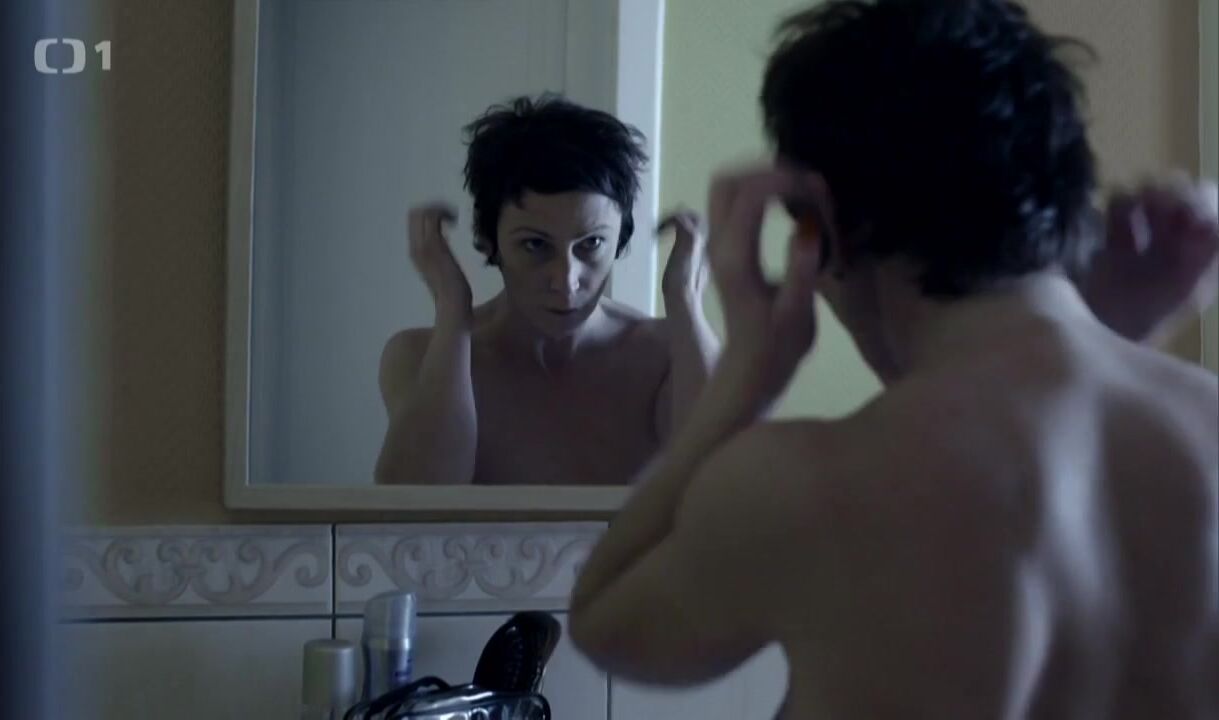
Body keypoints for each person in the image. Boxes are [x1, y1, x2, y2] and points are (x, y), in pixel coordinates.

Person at [568, 1, 1218, 717]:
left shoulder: (804, 485)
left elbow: (607, 623)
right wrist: (1113, 335)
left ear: (821, 223)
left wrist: (747, 376)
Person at [375, 95, 719, 485]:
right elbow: (412, 504)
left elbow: (727, 482)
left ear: (620, 239)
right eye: (535, 245)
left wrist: (686, 300)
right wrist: (452, 305)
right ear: (489, 241)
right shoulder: (420, 356)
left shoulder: (668, 354)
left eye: (591, 244)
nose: (566, 280)